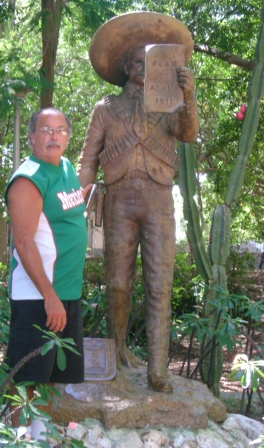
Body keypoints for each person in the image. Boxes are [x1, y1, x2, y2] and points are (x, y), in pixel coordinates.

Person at [77, 12, 199, 393]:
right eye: (136, 61)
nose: (143, 68)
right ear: (125, 68)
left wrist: (189, 96)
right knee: (117, 283)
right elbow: (87, 160)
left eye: (150, 62)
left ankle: (158, 370)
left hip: (159, 199)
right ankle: (117, 353)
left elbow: (188, 134)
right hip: (119, 200)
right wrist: (75, 198)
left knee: (160, 283)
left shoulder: (169, 103)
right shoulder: (105, 108)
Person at [5, 108, 92, 441]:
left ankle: (39, 431)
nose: (54, 136)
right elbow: (25, 243)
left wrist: (83, 198)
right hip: (38, 296)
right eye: (46, 130)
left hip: (67, 291)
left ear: (68, 136)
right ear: (32, 136)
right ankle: (18, 438)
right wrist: (49, 296)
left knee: (51, 371)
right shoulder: (28, 179)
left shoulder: (66, 168)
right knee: (27, 373)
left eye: (60, 130)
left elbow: (61, 211)